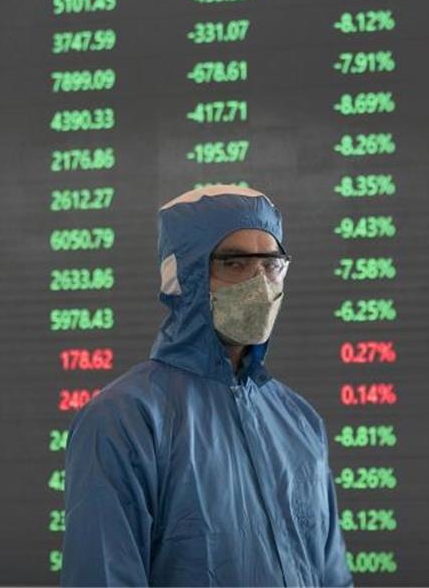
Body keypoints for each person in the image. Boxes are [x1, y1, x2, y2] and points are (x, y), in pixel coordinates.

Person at [61, 184, 352, 586]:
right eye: (235, 264)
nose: (260, 284)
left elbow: (333, 576)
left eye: (271, 264)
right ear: (184, 275)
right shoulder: (125, 420)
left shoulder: (300, 422)